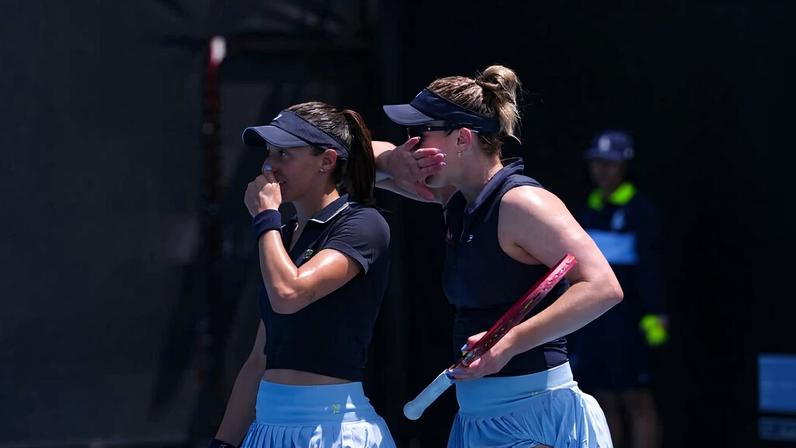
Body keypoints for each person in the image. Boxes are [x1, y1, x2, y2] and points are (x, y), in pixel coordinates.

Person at [372, 65, 623, 447]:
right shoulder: (454, 197)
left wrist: (508, 344)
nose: (412, 144)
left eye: (420, 134)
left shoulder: (522, 203)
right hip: (477, 419)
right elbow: (347, 161)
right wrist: (390, 162)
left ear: (462, 138)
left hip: (537, 419)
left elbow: (603, 287)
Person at [208, 102, 396, 448]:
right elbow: (259, 358)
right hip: (267, 428)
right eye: (269, 153)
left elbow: (289, 295)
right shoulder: (284, 234)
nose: (269, 165)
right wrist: (223, 443)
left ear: (326, 161)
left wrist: (266, 218)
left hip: (333, 429)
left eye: (284, 154)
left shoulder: (363, 225)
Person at [569, 130, 667, 448]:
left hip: (632, 322)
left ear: (624, 166)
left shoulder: (641, 210)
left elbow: (652, 267)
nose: (602, 170)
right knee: (603, 399)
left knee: (636, 398)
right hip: (595, 321)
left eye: (610, 163)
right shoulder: (586, 209)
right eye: (597, 162)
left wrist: (655, 314)